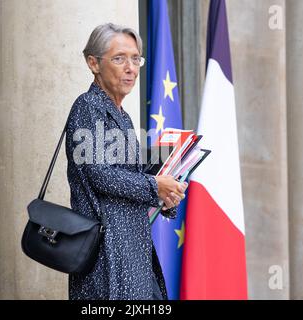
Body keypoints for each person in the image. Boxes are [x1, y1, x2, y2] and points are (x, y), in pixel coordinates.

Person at [65, 23, 187, 300]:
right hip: (107, 252)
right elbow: (100, 174)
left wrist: (164, 195)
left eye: (135, 59)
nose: (131, 68)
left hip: (133, 247)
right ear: (93, 63)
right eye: (120, 58)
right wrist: (154, 186)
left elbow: (127, 180)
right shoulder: (87, 106)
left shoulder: (122, 114)